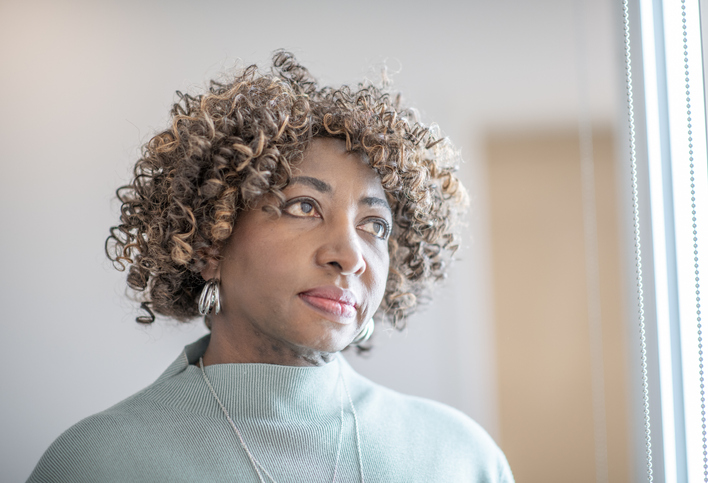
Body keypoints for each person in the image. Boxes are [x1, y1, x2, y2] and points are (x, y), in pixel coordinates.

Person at [27, 51, 513, 482]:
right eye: (303, 206)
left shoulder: (459, 458)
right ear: (209, 243)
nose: (349, 255)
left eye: (375, 226)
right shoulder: (100, 463)